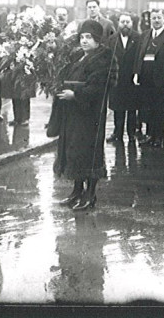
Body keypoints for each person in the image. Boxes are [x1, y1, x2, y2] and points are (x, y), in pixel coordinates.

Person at [54, 20, 117, 211]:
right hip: (75, 114)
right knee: (75, 151)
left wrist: (76, 94)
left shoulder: (104, 59)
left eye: (88, 37)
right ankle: (76, 191)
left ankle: (90, 194)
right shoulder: (79, 57)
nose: (84, 41)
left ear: (98, 40)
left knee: (89, 153)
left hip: (91, 115)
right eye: (82, 37)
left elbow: (98, 88)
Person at [133, 9, 164, 148]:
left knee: (160, 109)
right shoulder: (145, 35)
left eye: (159, 18)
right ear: (150, 20)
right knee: (147, 107)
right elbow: (138, 55)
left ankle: (159, 136)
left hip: (161, 79)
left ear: (163, 19)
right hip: (146, 78)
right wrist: (136, 72)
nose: (156, 20)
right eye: (154, 18)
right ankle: (150, 135)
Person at [106, 12, 141, 144]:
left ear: (132, 23)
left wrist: (137, 74)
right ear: (118, 24)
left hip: (132, 79)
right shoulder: (112, 39)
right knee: (118, 109)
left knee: (132, 109)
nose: (125, 24)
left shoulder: (138, 38)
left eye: (127, 22)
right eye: (122, 22)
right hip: (117, 79)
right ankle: (118, 134)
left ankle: (132, 135)